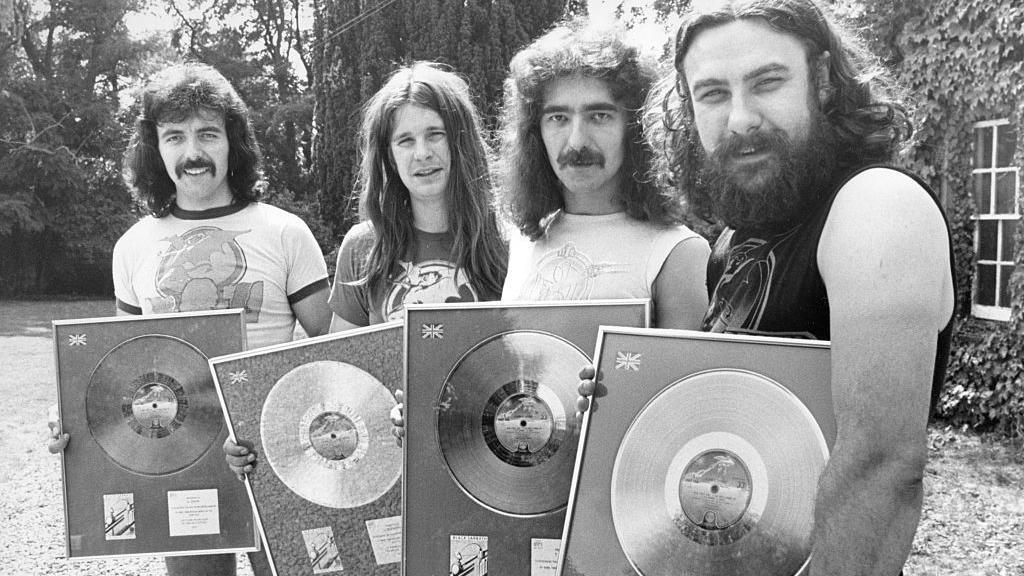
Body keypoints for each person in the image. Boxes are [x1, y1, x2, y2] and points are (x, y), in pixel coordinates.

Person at [582, 1, 956, 574]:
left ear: (825, 81)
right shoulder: (731, 243)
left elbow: (880, 469)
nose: (740, 119)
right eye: (712, 94)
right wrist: (620, 407)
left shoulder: (877, 207)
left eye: (767, 82)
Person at [50, 62, 332, 576]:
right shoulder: (133, 246)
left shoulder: (285, 232)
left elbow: (331, 348)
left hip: (277, 455)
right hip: (183, 460)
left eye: (208, 133)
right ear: (154, 149)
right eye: (174, 136)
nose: (192, 152)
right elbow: (123, 368)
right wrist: (74, 422)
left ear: (233, 142)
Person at [496, 18, 710, 329]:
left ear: (634, 128)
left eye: (599, 116)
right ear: (535, 133)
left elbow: (684, 376)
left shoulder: (677, 253)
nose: (577, 141)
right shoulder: (523, 241)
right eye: (558, 118)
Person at [327, 62, 507, 331]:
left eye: (435, 135)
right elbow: (343, 366)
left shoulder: (508, 240)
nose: (422, 153)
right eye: (405, 141)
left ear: (461, 142)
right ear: (390, 155)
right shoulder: (362, 247)